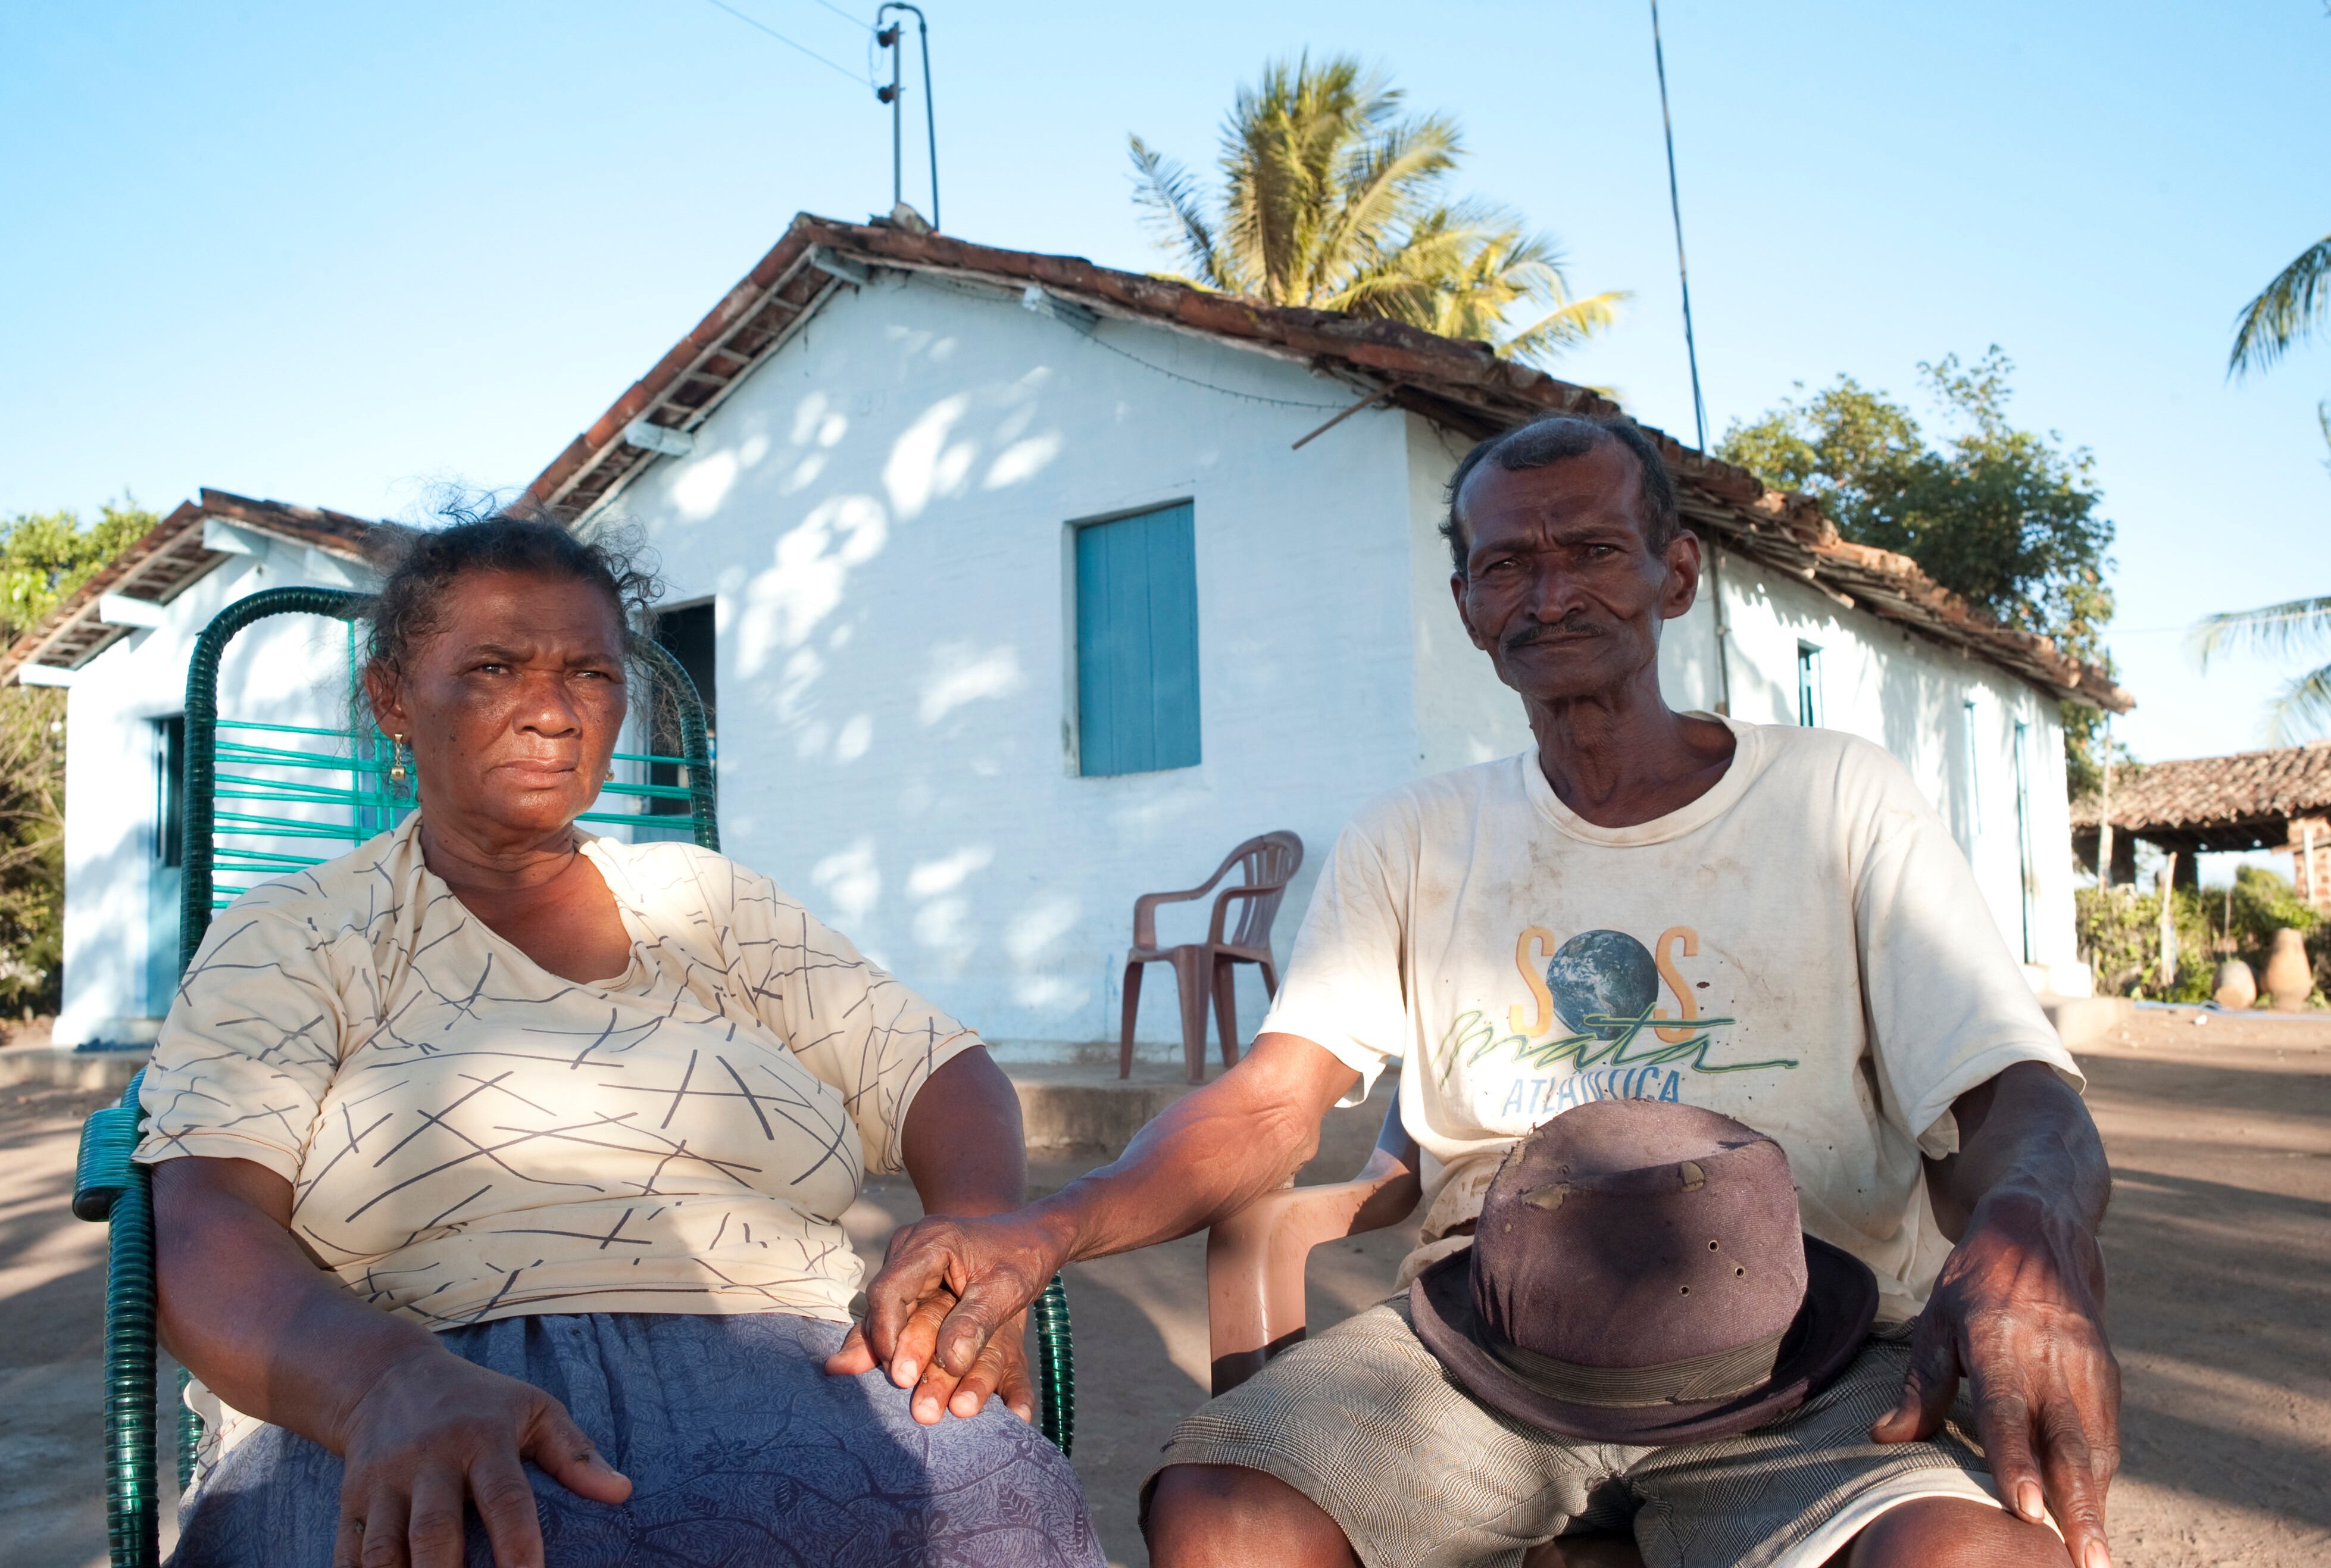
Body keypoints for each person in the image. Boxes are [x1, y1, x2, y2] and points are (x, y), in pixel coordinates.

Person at [838, 417, 2119, 1568]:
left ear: (1673, 575)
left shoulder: (1834, 798)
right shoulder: (1414, 834)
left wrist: (2029, 1225)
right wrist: (1047, 1227)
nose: (1549, 593)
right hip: (1481, 1358)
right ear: (1464, 604)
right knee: (1223, 1515)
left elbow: (2013, 1091)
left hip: (1809, 1356)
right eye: (1506, 563)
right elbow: (1273, 1103)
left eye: (1593, 551)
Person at [138, 512, 1102, 1568]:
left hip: (799, 1356)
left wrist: (969, 1229)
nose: (552, 712)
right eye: (496, 667)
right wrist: (380, 1382)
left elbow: (934, 1066)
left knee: (999, 1500)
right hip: (410, 1375)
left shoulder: (708, 905)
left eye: (593, 674)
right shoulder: (296, 935)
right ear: (392, 700)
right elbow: (205, 1221)